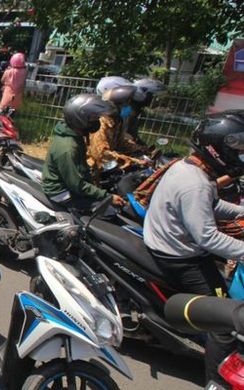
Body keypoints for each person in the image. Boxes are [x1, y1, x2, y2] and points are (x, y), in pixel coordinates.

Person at [143, 110, 244, 383]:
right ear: (218, 148)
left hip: (171, 245)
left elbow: (210, 205)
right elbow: (207, 237)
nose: (241, 154)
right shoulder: (196, 183)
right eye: (236, 148)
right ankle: (217, 382)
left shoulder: (189, 167)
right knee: (224, 323)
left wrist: (237, 212)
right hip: (180, 257)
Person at [42, 94, 126, 211]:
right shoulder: (68, 148)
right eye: (93, 118)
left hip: (71, 185)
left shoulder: (75, 136)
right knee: (108, 213)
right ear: (80, 118)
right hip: (62, 192)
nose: (97, 121)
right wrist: (107, 196)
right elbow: (77, 184)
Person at [87, 85, 151, 180]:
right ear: (115, 106)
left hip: (109, 165)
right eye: (126, 105)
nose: (129, 108)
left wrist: (142, 150)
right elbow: (102, 153)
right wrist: (133, 160)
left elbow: (121, 142)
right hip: (95, 168)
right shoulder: (101, 123)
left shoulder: (116, 121)